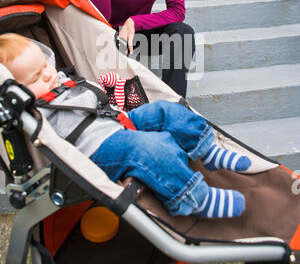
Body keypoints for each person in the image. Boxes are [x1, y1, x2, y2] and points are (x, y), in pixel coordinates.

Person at [0, 33, 251, 219]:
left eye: (45, 65)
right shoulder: (36, 112)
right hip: (97, 152)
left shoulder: (60, 80)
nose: (47, 74)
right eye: (35, 77)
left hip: (115, 121)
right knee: (152, 147)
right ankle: (193, 198)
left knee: (165, 110)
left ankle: (206, 148)